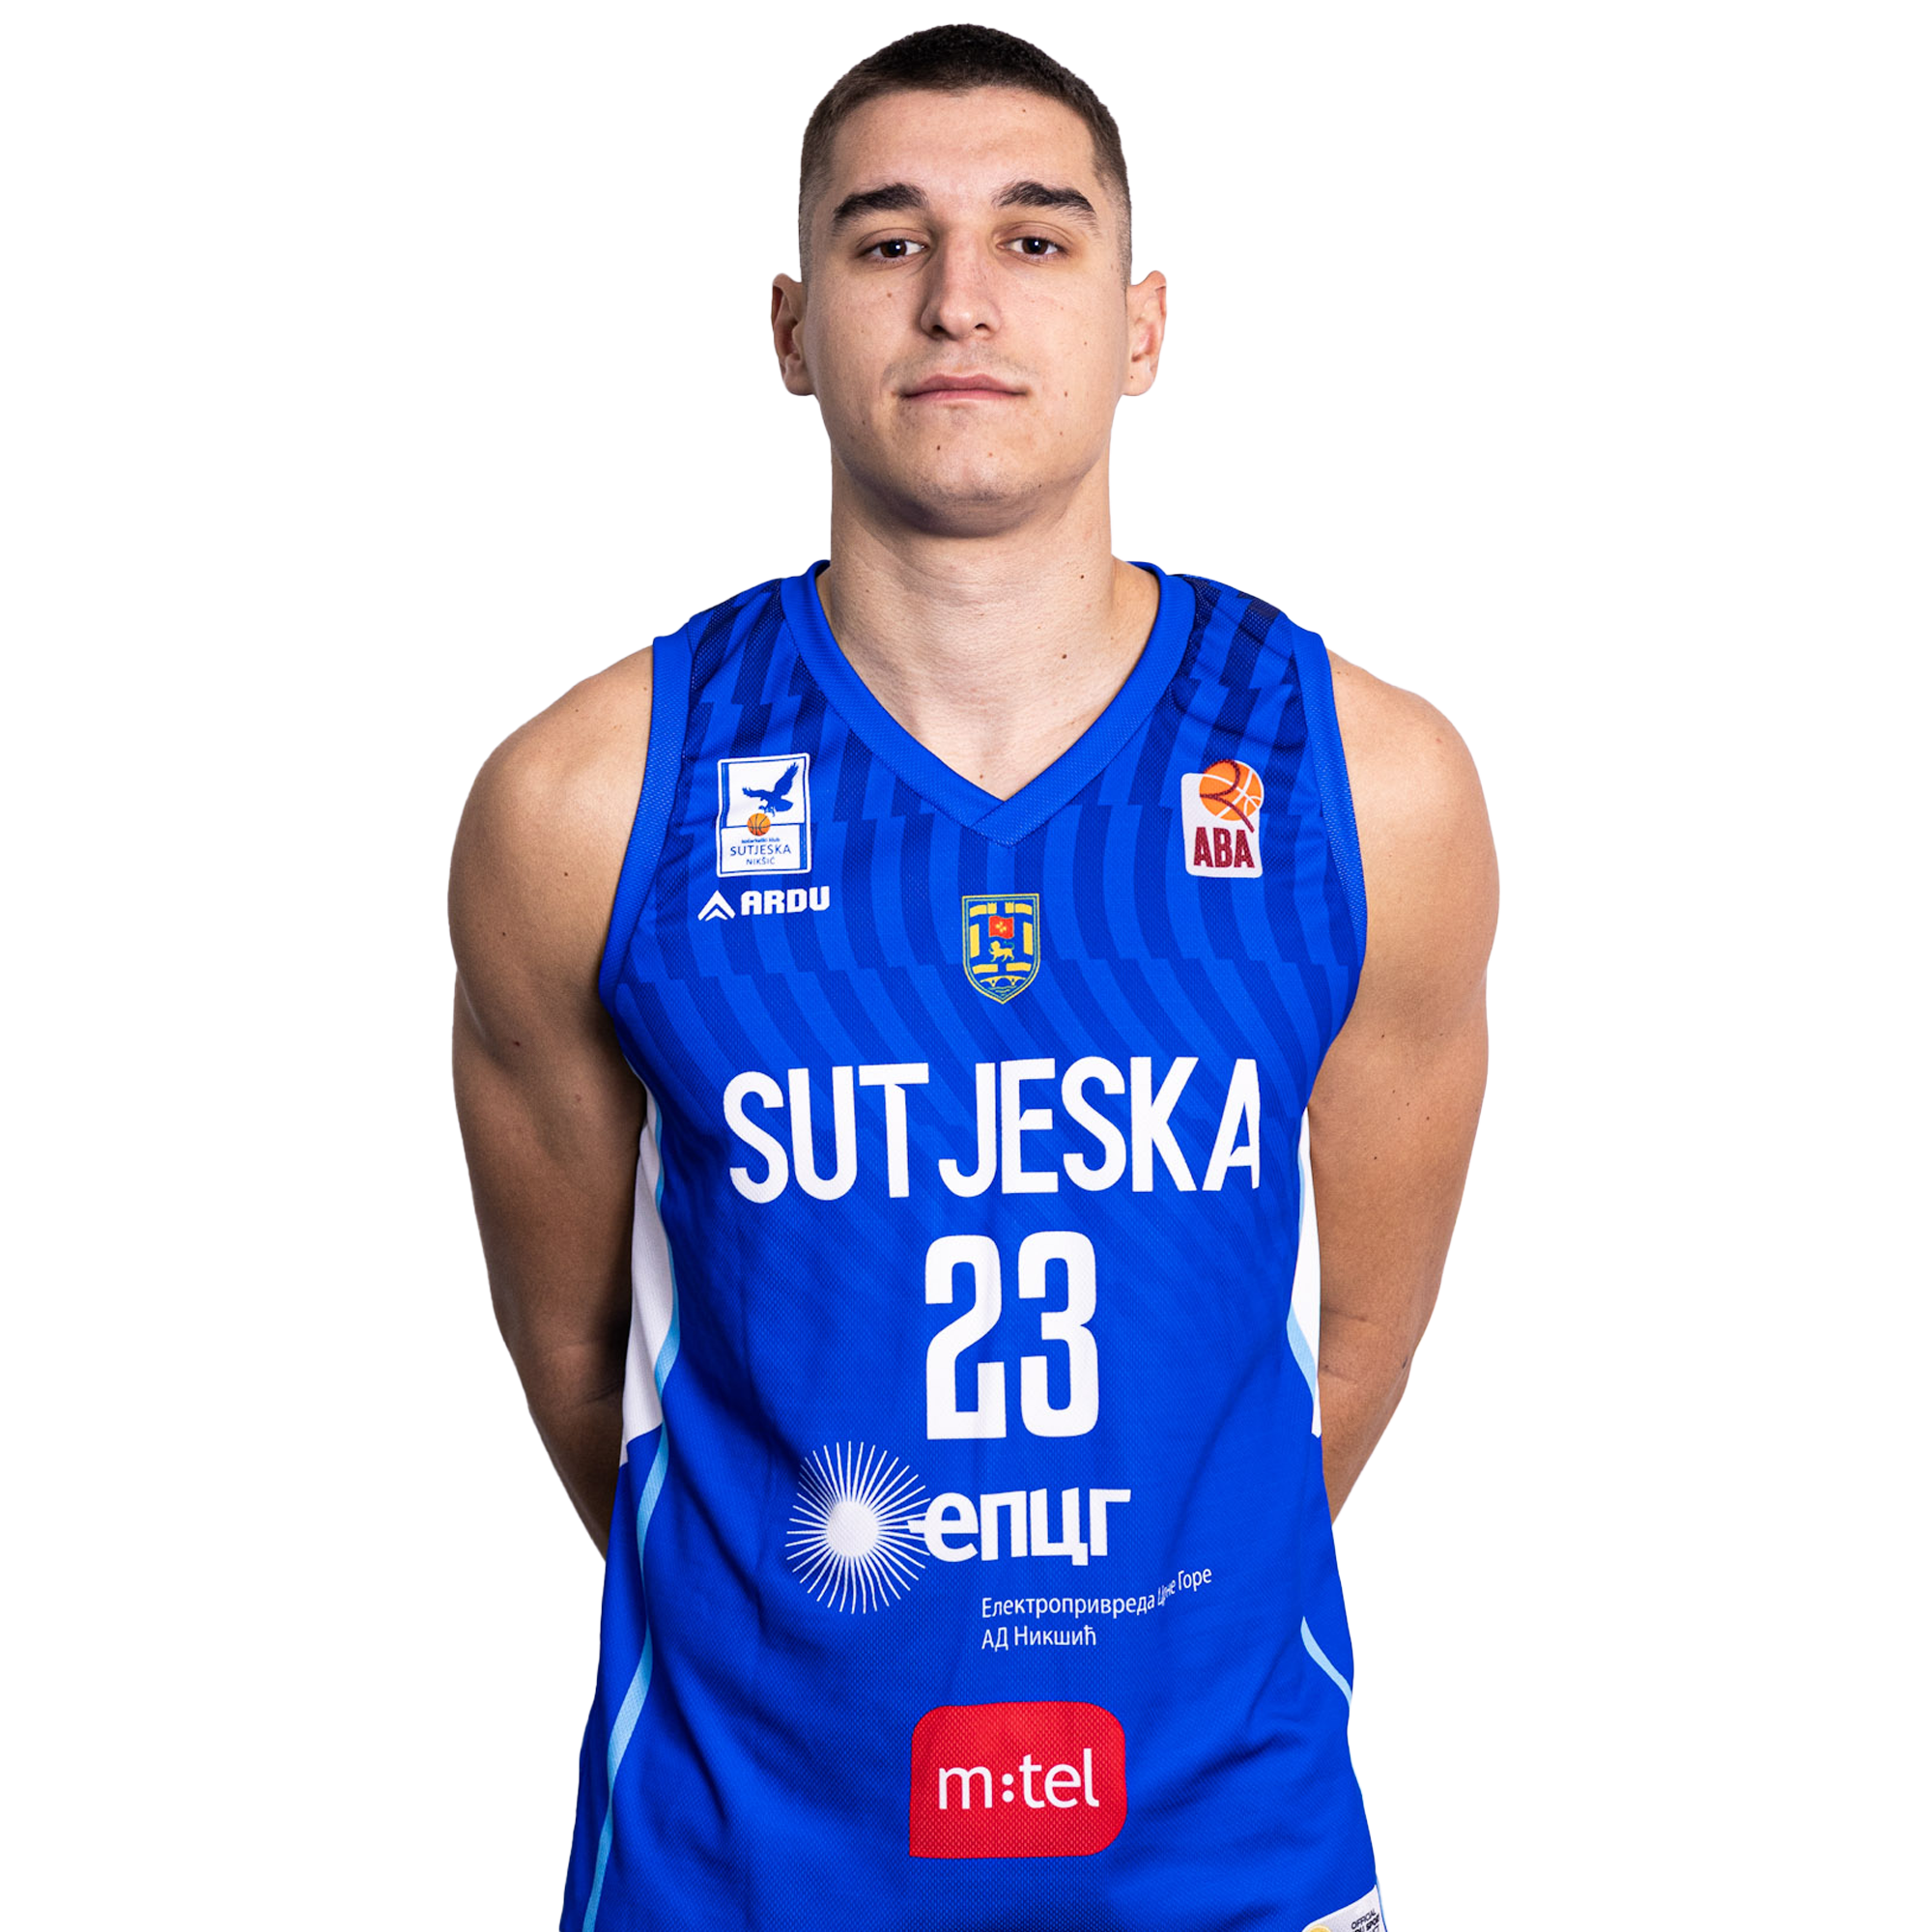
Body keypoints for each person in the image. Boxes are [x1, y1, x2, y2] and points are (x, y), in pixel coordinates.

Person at [449, 22, 1495, 1931]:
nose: (959, 299)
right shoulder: (587, 803)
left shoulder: (1363, 784)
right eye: (886, 241)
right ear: (791, 329)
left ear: (1140, 322)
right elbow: (580, 1363)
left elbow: (1355, 1346)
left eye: (1034, 238)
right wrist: (820, 1650)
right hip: (739, 1874)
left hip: (1220, 1866)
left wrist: (1143, 1624)